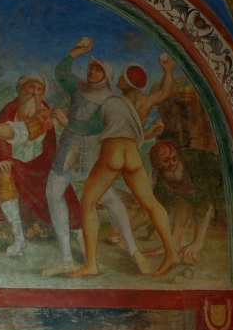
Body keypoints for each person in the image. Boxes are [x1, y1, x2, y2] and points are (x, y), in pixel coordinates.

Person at [45, 37, 150, 276]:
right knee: (52, 193)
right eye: (91, 67)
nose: (92, 71)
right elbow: (61, 72)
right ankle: (66, 257)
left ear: (107, 77)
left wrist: (65, 122)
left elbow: (93, 127)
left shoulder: (108, 100)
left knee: (109, 198)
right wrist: (77, 50)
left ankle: (134, 250)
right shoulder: (79, 87)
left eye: (98, 69)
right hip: (70, 148)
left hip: (92, 152)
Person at [68, 56, 180, 278]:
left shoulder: (110, 101)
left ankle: (92, 264)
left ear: (127, 82)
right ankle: (171, 253)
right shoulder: (145, 102)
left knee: (88, 202)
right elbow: (166, 92)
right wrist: (168, 70)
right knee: (151, 204)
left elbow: (88, 127)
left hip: (113, 151)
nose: (118, 78)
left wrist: (66, 122)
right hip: (132, 154)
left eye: (121, 76)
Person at [0, 73, 80, 257]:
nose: (35, 93)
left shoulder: (45, 112)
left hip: (42, 167)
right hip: (16, 165)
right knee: (4, 178)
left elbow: (22, 131)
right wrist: (0, 158)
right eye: (31, 88)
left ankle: (79, 245)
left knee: (67, 200)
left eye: (39, 89)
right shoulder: (9, 110)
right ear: (20, 89)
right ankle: (19, 239)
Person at [149, 140, 224, 264]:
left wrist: (196, 243)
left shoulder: (194, 166)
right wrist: (120, 231)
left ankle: (195, 244)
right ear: (157, 164)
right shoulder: (162, 177)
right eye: (166, 161)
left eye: (174, 159)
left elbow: (204, 204)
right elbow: (154, 207)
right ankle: (175, 242)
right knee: (181, 198)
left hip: (219, 184)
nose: (172, 163)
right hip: (200, 192)